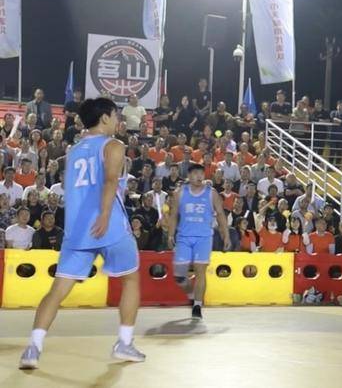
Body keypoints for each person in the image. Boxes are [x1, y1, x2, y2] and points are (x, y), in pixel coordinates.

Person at [20, 97, 145, 369]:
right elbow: (110, 180)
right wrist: (104, 214)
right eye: (116, 115)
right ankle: (124, 343)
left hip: (77, 230)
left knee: (57, 291)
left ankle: (33, 348)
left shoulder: (74, 150)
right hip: (110, 226)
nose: (119, 120)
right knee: (131, 280)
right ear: (105, 118)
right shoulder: (114, 145)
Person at [167, 163, 231, 320]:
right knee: (179, 275)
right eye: (195, 173)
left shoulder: (211, 193)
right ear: (189, 176)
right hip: (184, 237)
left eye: (201, 173)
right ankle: (191, 294)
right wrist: (170, 235)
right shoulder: (180, 193)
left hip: (204, 238)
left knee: (200, 271)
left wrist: (226, 235)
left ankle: (197, 305)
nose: (199, 176)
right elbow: (173, 215)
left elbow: (220, 214)